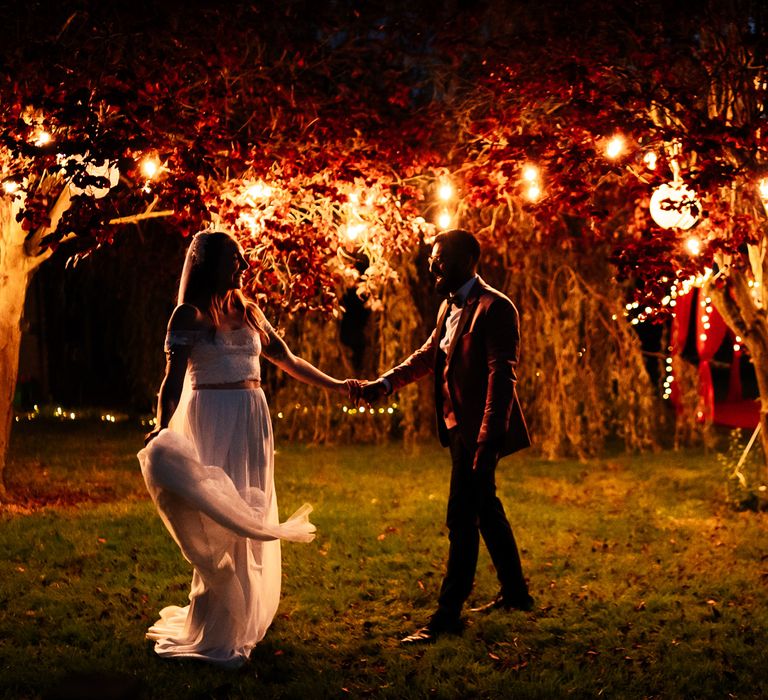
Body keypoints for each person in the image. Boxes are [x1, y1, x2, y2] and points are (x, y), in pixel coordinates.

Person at [138, 230, 355, 668]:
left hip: (253, 420)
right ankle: (219, 622)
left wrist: (339, 385)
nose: (243, 267)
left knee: (253, 512)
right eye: (235, 259)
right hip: (212, 418)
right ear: (213, 264)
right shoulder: (190, 315)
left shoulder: (249, 310)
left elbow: (288, 360)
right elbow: (172, 380)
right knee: (223, 516)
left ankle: (247, 615)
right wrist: (161, 429)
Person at [355, 229, 533, 644]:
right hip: (457, 430)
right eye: (432, 259)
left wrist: (487, 444)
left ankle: (447, 616)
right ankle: (517, 594)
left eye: (440, 259)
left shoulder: (496, 307)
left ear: (468, 261)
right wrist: (384, 384)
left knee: (461, 519)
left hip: (478, 433)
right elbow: (430, 356)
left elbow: (500, 377)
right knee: (485, 508)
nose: (431, 266)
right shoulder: (447, 307)